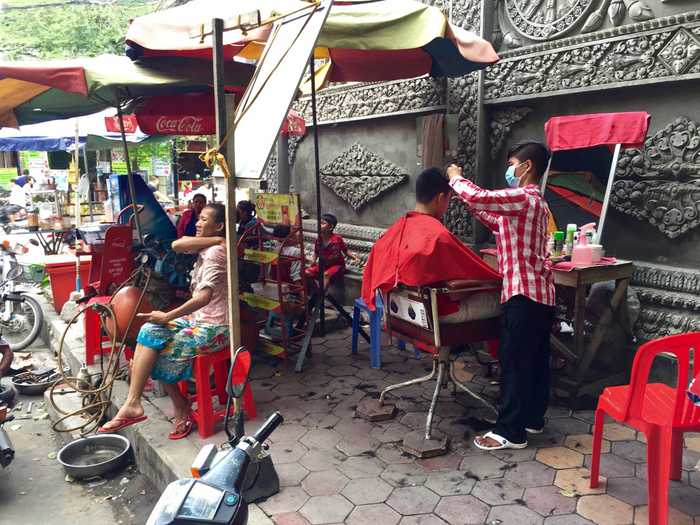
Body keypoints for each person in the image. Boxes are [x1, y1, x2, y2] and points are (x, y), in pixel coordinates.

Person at [447, 141, 555, 451]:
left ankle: (510, 431)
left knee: (515, 363)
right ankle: (532, 419)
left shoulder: (524, 197)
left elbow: (482, 196)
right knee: (534, 363)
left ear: (527, 167)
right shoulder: (536, 205)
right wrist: (468, 202)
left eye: (512, 164)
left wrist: (456, 177)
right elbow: (493, 217)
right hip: (540, 296)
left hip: (522, 295)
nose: (510, 170)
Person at [99, 203, 230, 440]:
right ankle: (134, 402)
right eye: (198, 219)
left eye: (204, 220)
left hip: (216, 328)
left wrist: (169, 316)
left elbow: (204, 297)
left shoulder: (216, 254)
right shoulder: (211, 245)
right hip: (196, 320)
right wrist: (216, 239)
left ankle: (177, 404)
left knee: (155, 349)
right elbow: (176, 245)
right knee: (149, 330)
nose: (198, 224)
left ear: (219, 226)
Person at [361, 168, 499, 311]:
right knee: (497, 298)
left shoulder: (395, 230)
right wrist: (498, 278)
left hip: (398, 311)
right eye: (449, 199)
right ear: (440, 198)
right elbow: (475, 272)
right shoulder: (438, 237)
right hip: (436, 312)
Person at [306, 213, 360, 290]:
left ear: (331, 227)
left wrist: (355, 258)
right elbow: (316, 253)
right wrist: (313, 260)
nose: (319, 225)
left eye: (323, 223)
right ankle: (318, 292)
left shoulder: (337, 239)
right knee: (307, 272)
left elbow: (345, 251)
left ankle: (322, 295)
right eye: (319, 223)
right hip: (323, 266)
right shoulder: (318, 240)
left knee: (326, 274)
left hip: (337, 266)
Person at [237, 200, 261, 291]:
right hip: (245, 256)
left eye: (238, 211)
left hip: (252, 258)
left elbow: (246, 241)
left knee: (248, 282)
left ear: (245, 212)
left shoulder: (252, 224)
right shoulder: (242, 222)